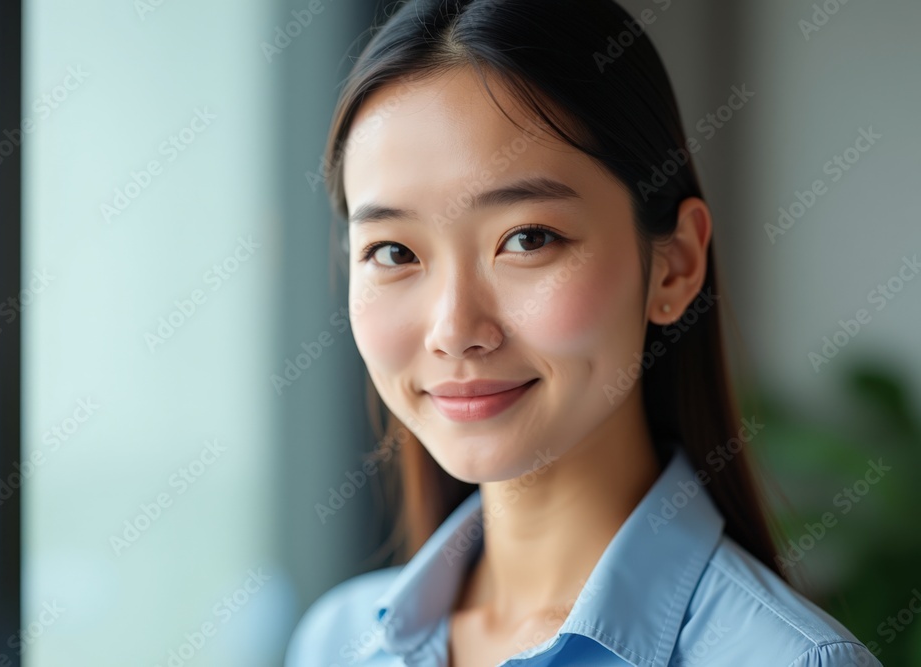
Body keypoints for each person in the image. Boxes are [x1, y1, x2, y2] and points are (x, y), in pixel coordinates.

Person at [285, 0, 882, 665]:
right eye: (394, 252)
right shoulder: (335, 641)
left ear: (675, 265)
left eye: (527, 239)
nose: (454, 329)